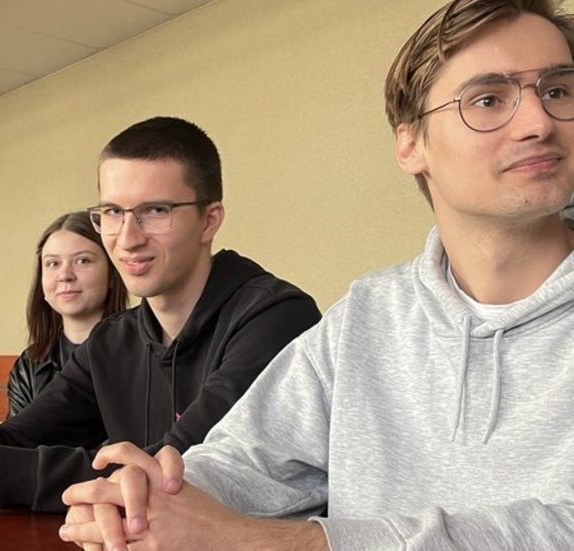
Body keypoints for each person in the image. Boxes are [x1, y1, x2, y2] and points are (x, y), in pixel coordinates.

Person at [59, 1, 574, 549]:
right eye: (489, 99)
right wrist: (149, 498)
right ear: (410, 144)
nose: (540, 122)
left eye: (558, 91)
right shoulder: (368, 313)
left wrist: (282, 542)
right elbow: (249, 458)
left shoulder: (266, 307)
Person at [0, 116, 322, 512]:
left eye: (155, 210)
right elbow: (24, 433)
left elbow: (176, 469)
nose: (128, 237)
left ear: (210, 220)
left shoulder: (276, 317)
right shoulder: (112, 339)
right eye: (112, 212)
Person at [7, 211, 129, 418]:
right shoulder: (27, 367)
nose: (65, 275)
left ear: (112, 274)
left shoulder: (142, 355)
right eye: (53, 264)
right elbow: (16, 444)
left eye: (82, 261)